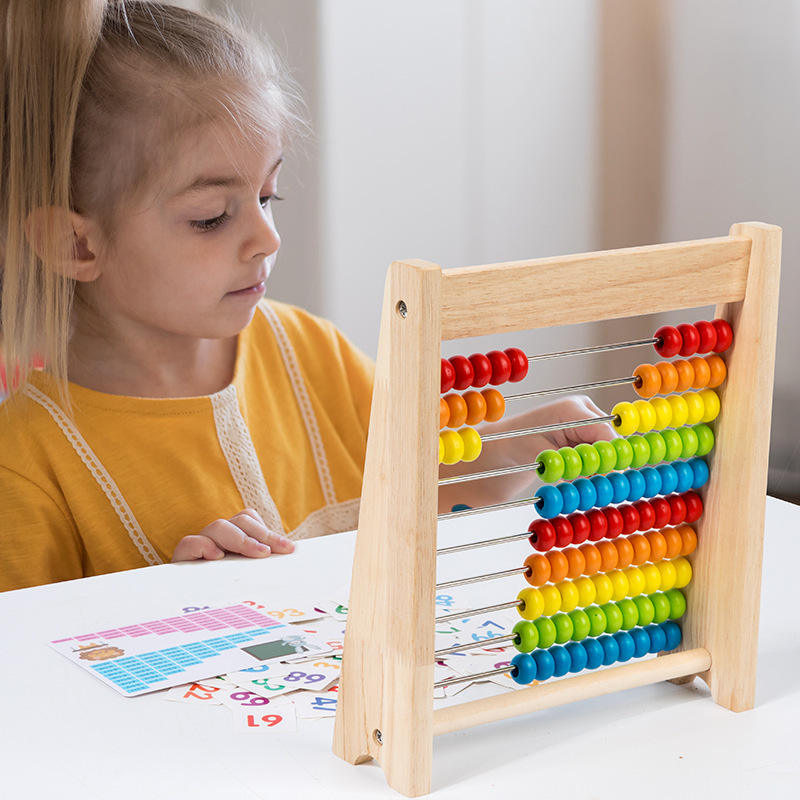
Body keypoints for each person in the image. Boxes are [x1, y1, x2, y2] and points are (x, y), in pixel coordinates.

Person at [0, 0, 613, 593]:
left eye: (267, 196)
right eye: (211, 217)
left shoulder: (308, 349)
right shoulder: (26, 463)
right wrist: (181, 605)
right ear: (76, 245)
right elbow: (32, 659)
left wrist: (516, 445)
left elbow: (415, 484)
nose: (266, 237)